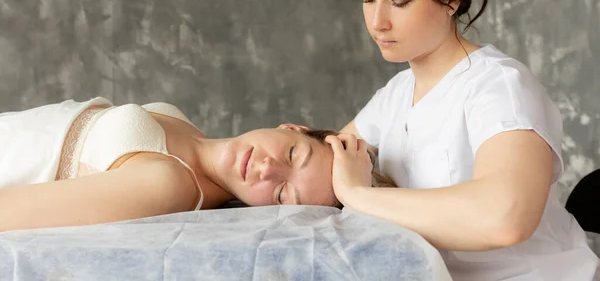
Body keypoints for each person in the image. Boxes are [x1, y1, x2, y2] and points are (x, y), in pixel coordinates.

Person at [318, 0, 598, 280]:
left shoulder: (500, 86)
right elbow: (323, 167)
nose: (377, 21)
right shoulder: (396, 94)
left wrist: (358, 195)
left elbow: (504, 218)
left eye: (399, 1)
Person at [0, 97, 393, 231]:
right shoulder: (189, 132)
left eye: (281, 193)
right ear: (292, 127)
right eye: (293, 154)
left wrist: (357, 193)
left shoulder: (169, 184)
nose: (266, 168)